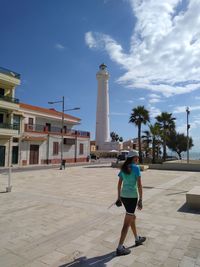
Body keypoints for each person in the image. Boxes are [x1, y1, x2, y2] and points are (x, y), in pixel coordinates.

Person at [116, 150, 146, 256]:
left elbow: (119, 184)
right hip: (132, 197)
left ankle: (137, 239)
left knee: (132, 217)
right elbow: (139, 185)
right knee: (126, 223)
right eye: (137, 157)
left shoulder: (123, 168)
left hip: (124, 196)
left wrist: (119, 198)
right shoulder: (136, 168)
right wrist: (141, 200)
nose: (138, 159)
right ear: (134, 158)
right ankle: (120, 248)